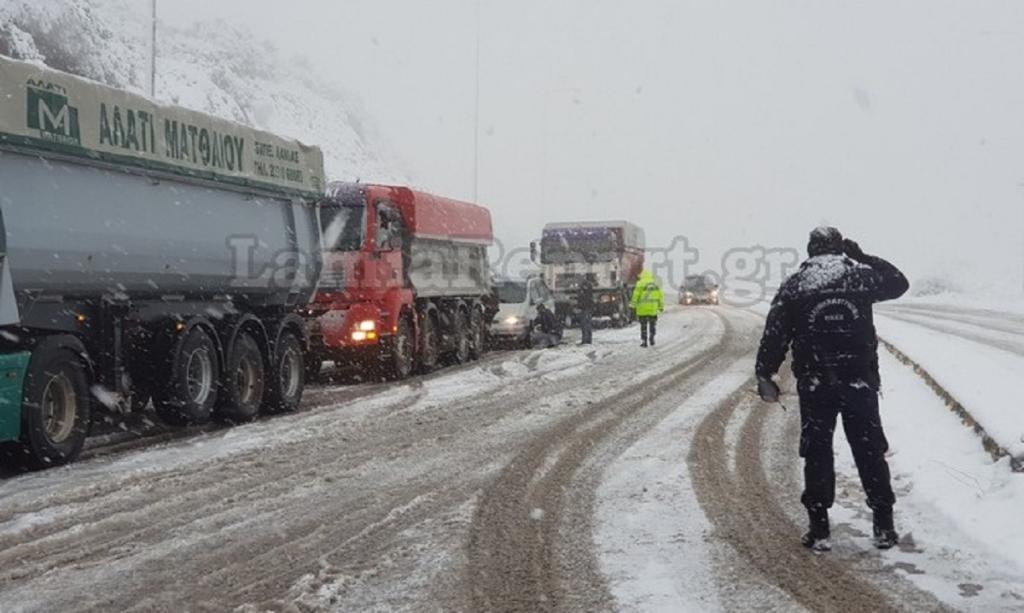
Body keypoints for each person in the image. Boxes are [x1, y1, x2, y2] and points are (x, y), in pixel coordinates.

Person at [755, 227, 909, 552]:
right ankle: (884, 525)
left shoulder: (796, 285)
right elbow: (898, 282)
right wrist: (862, 257)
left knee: (817, 451)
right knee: (869, 451)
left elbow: (775, 334)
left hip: (816, 384)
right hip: (859, 381)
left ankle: (819, 528)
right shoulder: (858, 277)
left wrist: (765, 373)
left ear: (810, 250)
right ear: (841, 249)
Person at [630, 270, 664, 347]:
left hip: (642, 309)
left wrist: (632, 305)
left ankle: (644, 341)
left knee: (643, 326)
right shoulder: (656, 284)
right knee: (652, 325)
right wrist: (661, 306)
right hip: (653, 309)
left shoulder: (640, 283)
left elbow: (636, 295)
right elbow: (660, 296)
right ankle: (652, 337)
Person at [577, 276, 595, 345]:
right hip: (586, 307)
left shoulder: (585, 287)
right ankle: (587, 339)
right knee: (586, 324)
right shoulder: (586, 286)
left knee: (585, 324)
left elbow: (584, 298)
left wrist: (580, 306)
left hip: (586, 308)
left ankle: (586, 339)